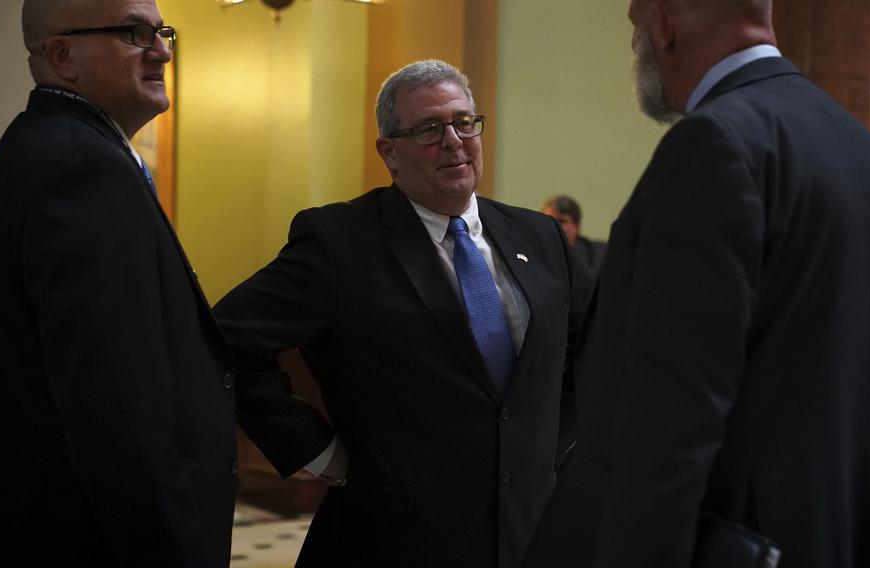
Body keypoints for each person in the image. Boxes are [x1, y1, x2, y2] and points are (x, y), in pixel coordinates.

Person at [526, 1, 870, 567]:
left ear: (665, 25)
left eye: (636, 26)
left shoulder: (715, 142)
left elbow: (672, 423)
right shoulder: (861, 147)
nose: (637, 44)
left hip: (730, 538)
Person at [214, 59, 592, 568]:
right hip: (395, 537)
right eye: (430, 129)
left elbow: (591, 347)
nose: (454, 141)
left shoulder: (541, 237)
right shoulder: (339, 242)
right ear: (389, 152)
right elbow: (227, 338)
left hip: (529, 534)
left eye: (464, 122)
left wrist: (554, 446)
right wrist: (315, 449)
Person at [0, 1, 238, 565]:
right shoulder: (79, 166)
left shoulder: (59, 146)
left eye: (161, 32)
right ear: (63, 55)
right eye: (133, 33)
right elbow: (116, 401)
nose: (163, 50)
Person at [541, 195, 606, 274]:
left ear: (576, 226)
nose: (551, 225)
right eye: (546, 219)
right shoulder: (533, 254)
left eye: (560, 221)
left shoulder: (599, 256)